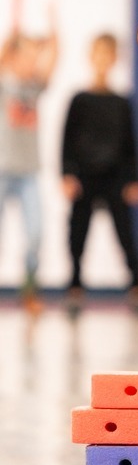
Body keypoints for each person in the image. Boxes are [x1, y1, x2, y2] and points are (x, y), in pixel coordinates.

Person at [61, 33, 138, 313]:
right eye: (97, 53)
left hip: (115, 178)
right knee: (77, 234)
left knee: (126, 234)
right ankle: (75, 287)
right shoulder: (79, 100)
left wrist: (135, 179)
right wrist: (66, 174)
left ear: (115, 59)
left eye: (107, 54)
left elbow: (131, 143)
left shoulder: (121, 102)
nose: (102, 59)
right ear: (90, 56)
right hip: (84, 177)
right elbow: (66, 140)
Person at [0, 22, 58, 313]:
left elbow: (52, 61)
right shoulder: (4, 82)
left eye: (35, 58)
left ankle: (29, 289)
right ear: (14, 57)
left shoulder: (34, 88)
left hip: (29, 173)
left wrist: (53, 29)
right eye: (27, 57)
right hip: (2, 169)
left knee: (36, 233)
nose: (32, 64)